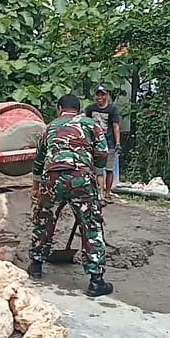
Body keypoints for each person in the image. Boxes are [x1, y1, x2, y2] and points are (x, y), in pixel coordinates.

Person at [28, 94, 114, 297]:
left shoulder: (49, 127)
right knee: (91, 225)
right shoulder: (91, 124)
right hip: (81, 179)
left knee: (44, 221)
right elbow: (102, 153)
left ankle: (36, 266)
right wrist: (95, 171)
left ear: (59, 109)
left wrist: (35, 188)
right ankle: (96, 281)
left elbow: (38, 161)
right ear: (79, 109)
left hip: (51, 180)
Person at [85, 84, 121, 206]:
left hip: (109, 143)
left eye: (103, 94)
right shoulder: (90, 109)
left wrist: (117, 143)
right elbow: (86, 123)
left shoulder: (112, 110)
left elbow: (116, 126)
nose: (100, 97)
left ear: (107, 96)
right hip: (94, 143)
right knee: (96, 170)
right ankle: (98, 193)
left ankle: (107, 193)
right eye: (98, 94)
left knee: (109, 169)